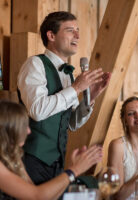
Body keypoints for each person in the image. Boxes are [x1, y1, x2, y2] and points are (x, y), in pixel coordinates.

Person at [17, 11, 111, 184]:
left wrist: (90, 98)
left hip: (57, 162)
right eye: (70, 30)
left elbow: (70, 123)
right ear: (51, 35)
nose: (77, 35)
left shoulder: (69, 75)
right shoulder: (34, 64)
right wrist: (76, 88)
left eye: (78, 30)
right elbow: (37, 110)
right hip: (30, 160)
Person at [0, 100, 103, 200]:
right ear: (6, 131)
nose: (29, 131)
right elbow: (37, 196)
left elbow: (43, 197)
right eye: (24, 126)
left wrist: (73, 169)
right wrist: (74, 171)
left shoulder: (12, 156)